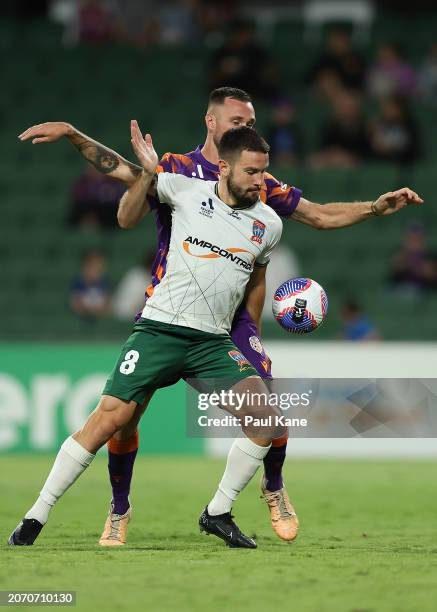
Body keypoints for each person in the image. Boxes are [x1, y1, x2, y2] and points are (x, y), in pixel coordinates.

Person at [18, 87, 424, 546]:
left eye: (250, 119)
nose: (246, 127)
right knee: (121, 421)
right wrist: (75, 136)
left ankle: (263, 492)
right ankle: (113, 508)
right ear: (212, 123)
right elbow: (124, 176)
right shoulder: (178, 173)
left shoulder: (261, 190)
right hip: (168, 311)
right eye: (236, 120)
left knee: (268, 411)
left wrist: (373, 207)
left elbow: (315, 219)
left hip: (223, 324)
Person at [9, 127, 286, 550]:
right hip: (159, 329)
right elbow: (124, 212)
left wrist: (253, 337)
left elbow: (256, 282)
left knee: (265, 419)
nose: (259, 181)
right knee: (109, 420)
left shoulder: (268, 224)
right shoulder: (185, 190)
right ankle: (37, 514)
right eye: (251, 172)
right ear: (225, 167)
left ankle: (217, 512)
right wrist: (132, 165)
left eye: (264, 173)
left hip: (211, 342)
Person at [70, 249, 111, 322]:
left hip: (100, 320)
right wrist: (88, 310)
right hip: (80, 321)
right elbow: (75, 305)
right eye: (92, 266)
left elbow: (107, 306)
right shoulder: (79, 282)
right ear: (85, 266)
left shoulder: (104, 283)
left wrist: (98, 311)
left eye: (99, 268)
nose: (96, 270)